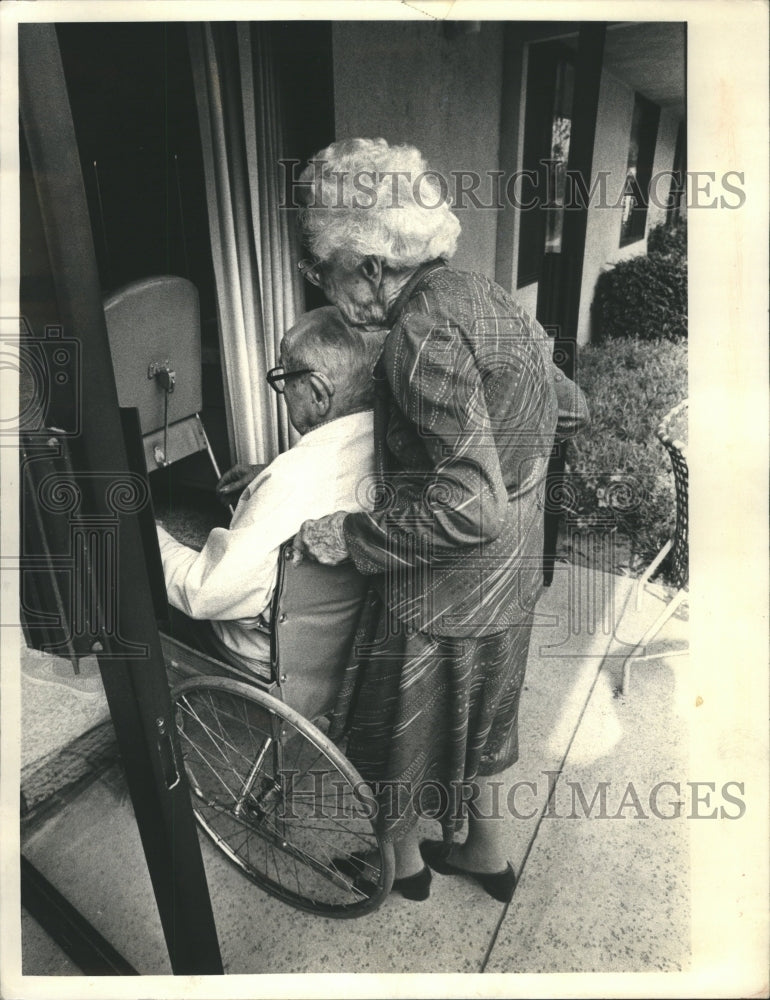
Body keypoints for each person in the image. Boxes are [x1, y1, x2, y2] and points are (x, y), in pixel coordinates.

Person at [292, 138, 587, 903]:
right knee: (479, 728)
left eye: (321, 267)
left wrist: (353, 538)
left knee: (397, 730)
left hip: (444, 591)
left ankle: (402, 867)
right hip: (511, 579)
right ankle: (483, 854)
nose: (320, 284)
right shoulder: (477, 292)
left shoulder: (418, 334)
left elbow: (468, 504)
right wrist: (519, 463)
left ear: (369, 264)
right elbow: (569, 404)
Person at [156, 306, 377, 673]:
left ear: (319, 394)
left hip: (268, 662)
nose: (283, 391)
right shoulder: (387, 447)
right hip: (346, 651)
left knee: (162, 596)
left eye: (285, 379)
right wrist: (270, 471)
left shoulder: (291, 480)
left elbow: (205, 592)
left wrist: (152, 539)